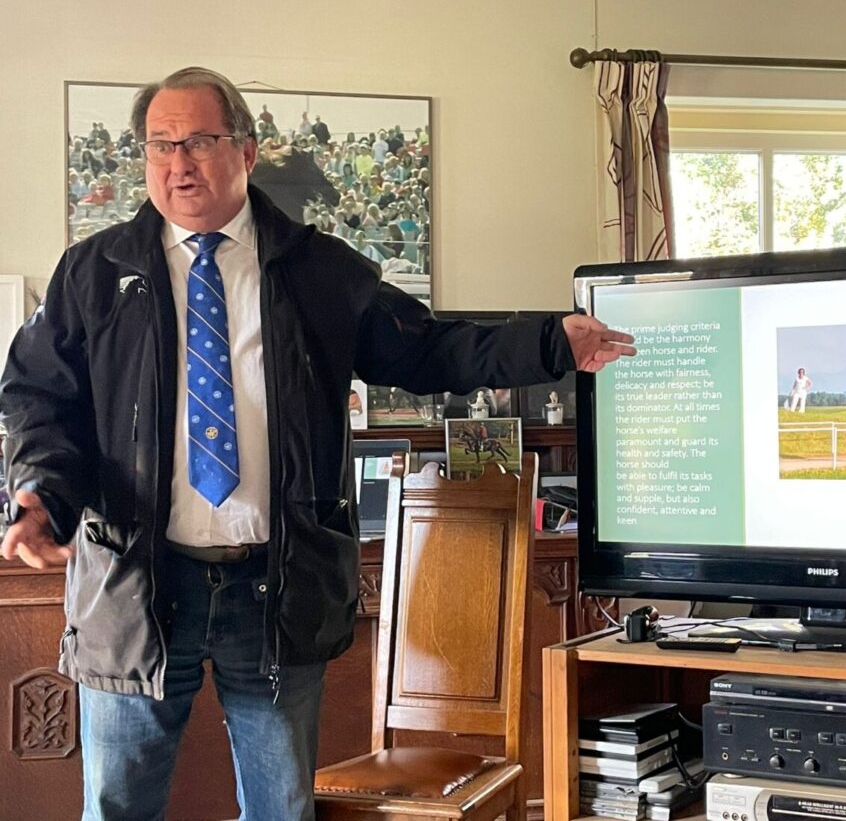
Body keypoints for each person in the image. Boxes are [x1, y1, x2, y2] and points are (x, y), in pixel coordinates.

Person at [0, 66, 635, 821]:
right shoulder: (95, 273)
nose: (178, 163)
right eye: (160, 145)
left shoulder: (319, 270)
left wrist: (549, 343)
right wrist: (39, 496)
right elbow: (40, 397)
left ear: (247, 150)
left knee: (282, 810)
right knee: (119, 808)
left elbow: (427, 351)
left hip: (274, 589)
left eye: (198, 141)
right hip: (133, 585)